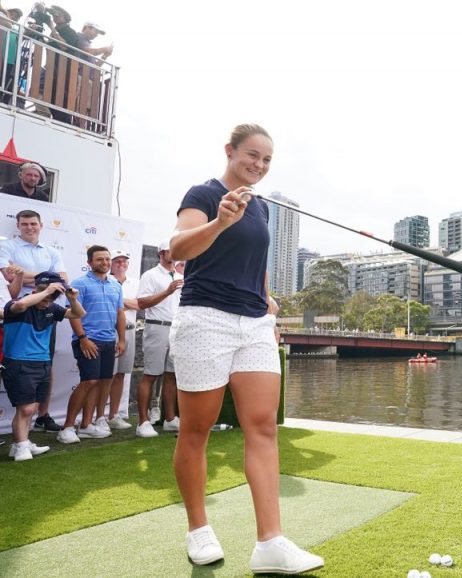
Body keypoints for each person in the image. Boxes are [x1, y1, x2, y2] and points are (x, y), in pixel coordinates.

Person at [169, 123, 323, 574]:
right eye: (252, 155)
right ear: (230, 151)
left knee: (263, 427)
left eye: (267, 160)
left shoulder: (261, 208)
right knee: (196, 429)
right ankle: (198, 529)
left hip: (254, 322)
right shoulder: (203, 194)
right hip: (205, 318)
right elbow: (179, 247)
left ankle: (270, 543)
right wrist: (221, 221)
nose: (258, 165)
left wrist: (269, 304)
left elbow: (256, 264)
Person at [3, 272, 84, 460]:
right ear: (36, 289)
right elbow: (21, 305)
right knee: (26, 409)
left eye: (54, 296)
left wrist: (71, 299)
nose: (49, 300)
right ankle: (22, 446)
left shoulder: (51, 307)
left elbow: (79, 314)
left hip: (43, 362)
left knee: (34, 405)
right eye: (47, 295)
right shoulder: (17, 305)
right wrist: (47, 290)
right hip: (19, 362)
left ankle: (20, 444)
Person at [0, 208, 67, 432]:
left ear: (41, 225)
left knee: (45, 363)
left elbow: (62, 280)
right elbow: (7, 277)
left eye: (33, 224)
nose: (30, 227)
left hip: (46, 309)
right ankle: (20, 419)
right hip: (17, 312)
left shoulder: (51, 251)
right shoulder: (6, 246)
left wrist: (38, 282)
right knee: (13, 362)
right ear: (17, 225)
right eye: (25, 224)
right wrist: (46, 282)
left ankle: (43, 415)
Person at [57, 245, 125, 443]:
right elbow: (74, 313)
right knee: (89, 381)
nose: (104, 263)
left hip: (108, 341)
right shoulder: (80, 284)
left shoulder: (115, 285)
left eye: (107, 259)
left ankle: (86, 425)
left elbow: (120, 313)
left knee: (102, 382)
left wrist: (121, 339)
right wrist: (83, 338)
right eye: (99, 259)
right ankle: (67, 427)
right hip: (88, 340)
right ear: (89, 263)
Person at [135, 239, 183, 437]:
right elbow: (142, 302)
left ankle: (170, 419)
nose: (171, 254)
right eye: (167, 251)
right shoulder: (151, 275)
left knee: (171, 375)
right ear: (161, 254)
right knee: (151, 375)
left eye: (173, 251)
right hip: (157, 327)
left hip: (177, 329)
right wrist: (167, 291)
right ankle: (142, 422)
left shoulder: (180, 276)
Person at [99, 249, 138, 430]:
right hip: (111, 332)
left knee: (121, 373)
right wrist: (124, 302)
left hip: (130, 330)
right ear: (111, 265)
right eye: (117, 261)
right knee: (108, 375)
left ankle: (114, 415)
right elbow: (116, 304)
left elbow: (139, 304)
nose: (121, 264)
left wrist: (121, 301)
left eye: (124, 261)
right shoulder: (106, 281)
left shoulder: (134, 282)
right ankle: (100, 416)